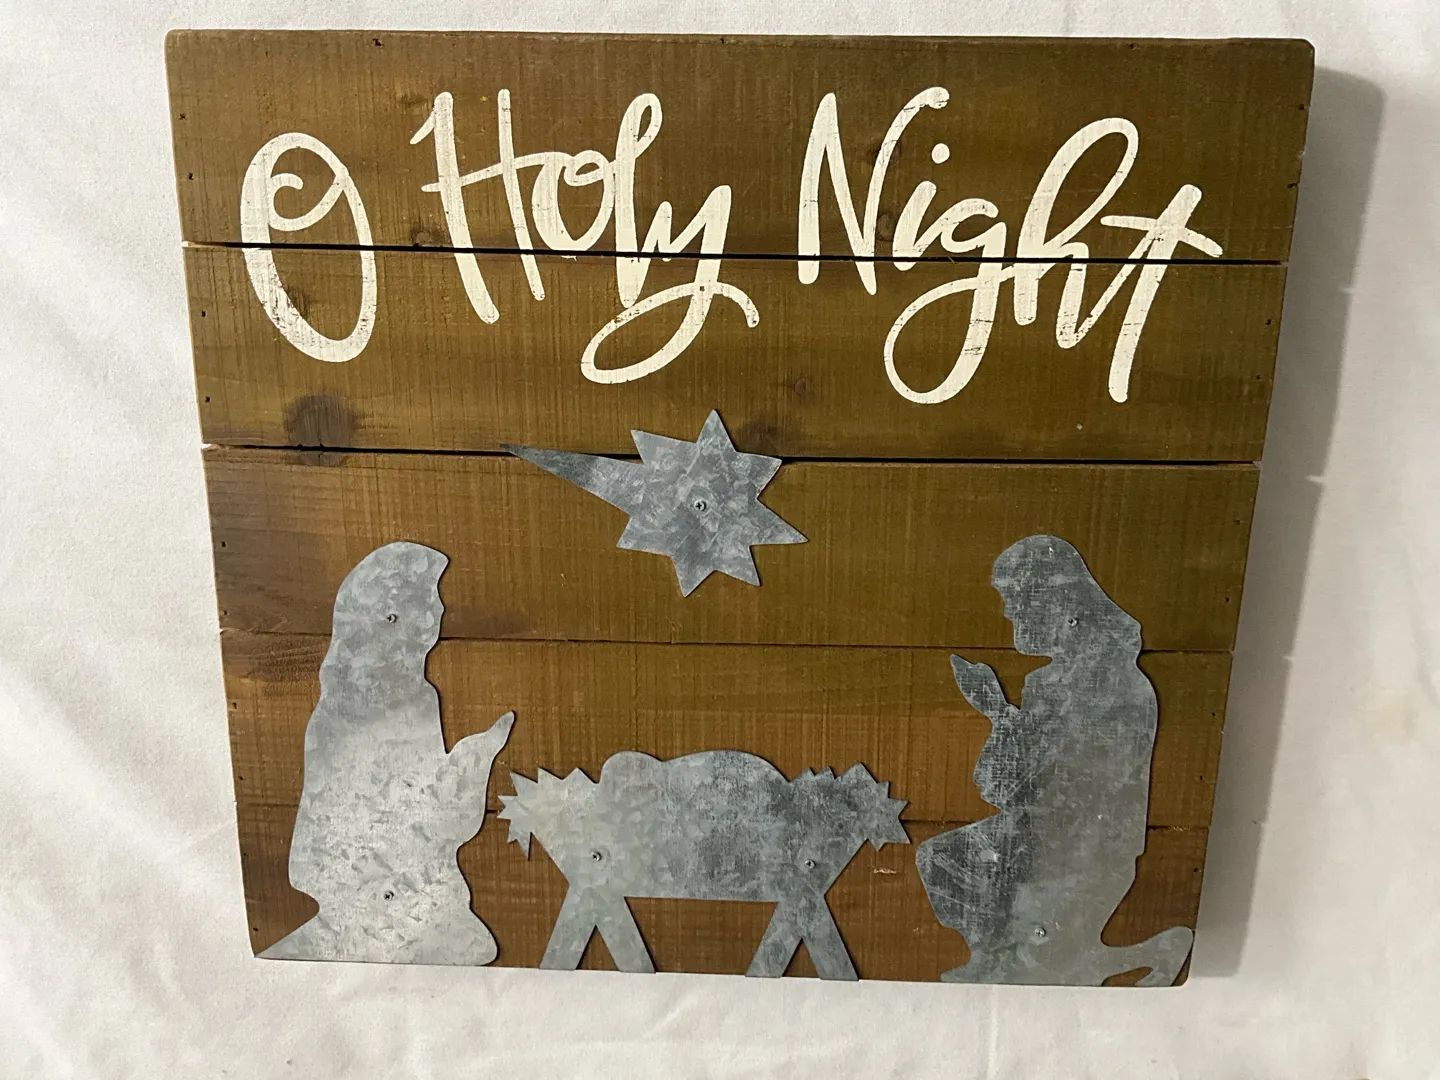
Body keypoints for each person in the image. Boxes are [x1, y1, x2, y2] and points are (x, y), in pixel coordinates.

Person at [915, 534, 1193, 986]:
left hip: (1082, 846)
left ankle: (1013, 958)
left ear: (1061, 604)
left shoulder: (1113, 683)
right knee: (940, 858)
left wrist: (1002, 720)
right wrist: (998, 712)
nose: (1009, 614)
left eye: (1017, 600)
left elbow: (1041, 785)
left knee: (1046, 959)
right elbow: (1001, 782)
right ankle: (999, 957)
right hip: (1039, 833)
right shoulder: (1048, 684)